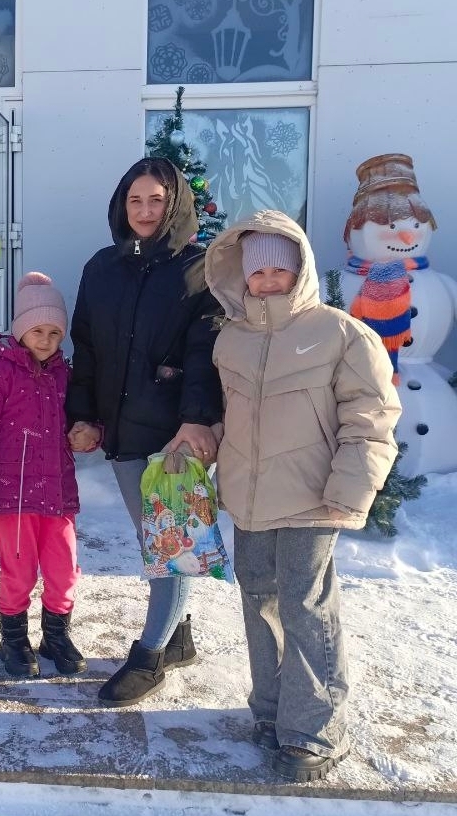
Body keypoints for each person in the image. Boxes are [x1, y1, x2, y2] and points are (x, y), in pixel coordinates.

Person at [204, 211, 401, 782]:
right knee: (258, 600)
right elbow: (228, 414)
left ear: (300, 270)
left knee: (305, 606)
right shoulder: (231, 338)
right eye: (257, 271)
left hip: (312, 498)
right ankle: (272, 710)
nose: (267, 281)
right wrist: (203, 448)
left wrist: (350, 488)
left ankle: (315, 729)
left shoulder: (341, 334)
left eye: (279, 270)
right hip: (249, 499)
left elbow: (371, 417)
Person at [65, 156, 223, 707]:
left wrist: (196, 418)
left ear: (175, 204)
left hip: (176, 435)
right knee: (154, 538)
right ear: (122, 204)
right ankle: (178, 639)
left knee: (170, 546)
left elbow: (206, 350)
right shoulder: (102, 267)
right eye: (136, 200)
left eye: (157, 200)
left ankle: (151, 656)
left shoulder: (200, 268)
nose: (145, 210)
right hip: (123, 429)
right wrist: (83, 414)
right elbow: (86, 346)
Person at [0, 272, 84, 678]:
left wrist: (89, 433)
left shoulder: (64, 374)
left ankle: (56, 635)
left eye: (54, 332)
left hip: (58, 494)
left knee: (64, 568)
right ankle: (13, 639)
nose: (46, 340)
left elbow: (79, 422)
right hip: (10, 496)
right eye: (37, 330)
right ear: (20, 330)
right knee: (18, 571)